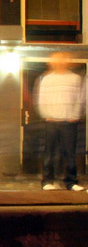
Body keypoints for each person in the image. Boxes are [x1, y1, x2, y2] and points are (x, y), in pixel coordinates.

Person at [36, 51, 85, 191]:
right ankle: (47, 181)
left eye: (63, 60)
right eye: (57, 60)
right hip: (52, 121)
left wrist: (75, 115)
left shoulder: (75, 78)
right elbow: (42, 99)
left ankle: (71, 182)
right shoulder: (47, 79)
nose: (60, 63)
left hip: (69, 122)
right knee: (49, 153)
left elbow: (80, 99)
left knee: (70, 153)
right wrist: (47, 115)